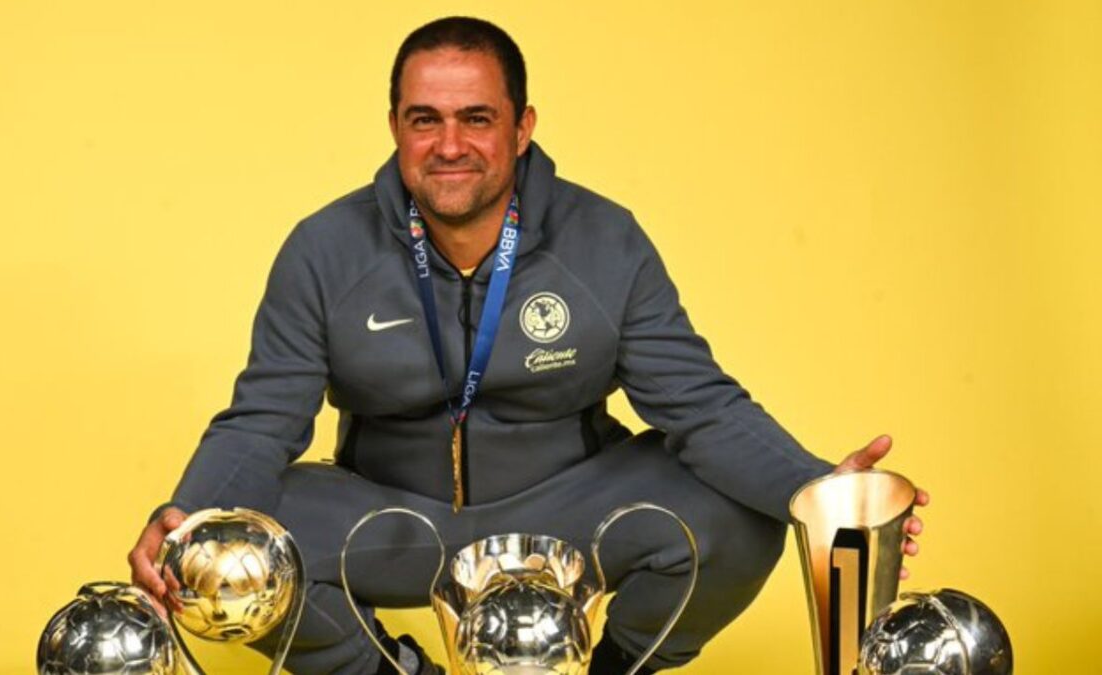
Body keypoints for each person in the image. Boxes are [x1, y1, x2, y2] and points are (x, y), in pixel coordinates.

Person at [128, 16, 927, 675]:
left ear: (521, 127)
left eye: (476, 118)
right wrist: (183, 515)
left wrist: (821, 493)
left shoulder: (605, 241)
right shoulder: (323, 250)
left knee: (740, 514)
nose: (450, 144)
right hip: (393, 520)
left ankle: (615, 669)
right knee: (220, 546)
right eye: (425, 119)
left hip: (568, 518)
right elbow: (264, 417)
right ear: (396, 129)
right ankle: (383, 672)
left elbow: (702, 406)